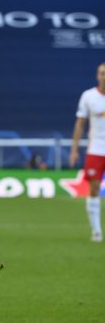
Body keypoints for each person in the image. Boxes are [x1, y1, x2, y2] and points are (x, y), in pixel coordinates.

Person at [69, 62, 105, 242]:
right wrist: (74, 149)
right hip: (97, 148)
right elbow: (80, 124)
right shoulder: (88, 96)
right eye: (102, 73)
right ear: (97, 75)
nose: (104, 76)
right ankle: (97, 230)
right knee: (94, 187)